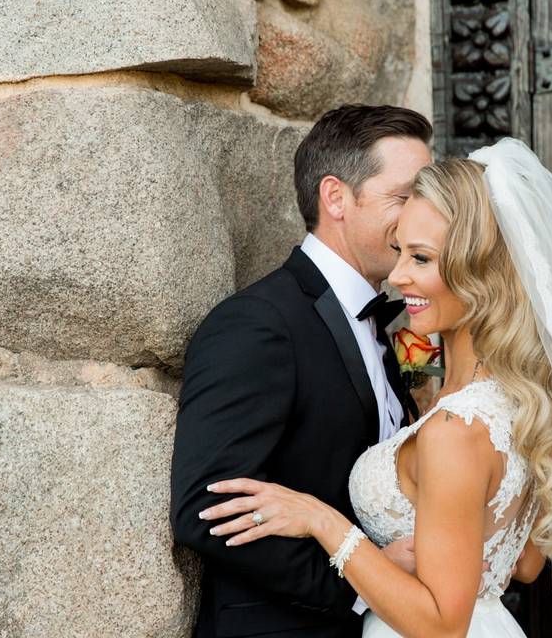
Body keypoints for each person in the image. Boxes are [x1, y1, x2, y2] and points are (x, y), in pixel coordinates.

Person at [199, 138, 552, 638]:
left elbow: (442, 625)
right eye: (400, 252)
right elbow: (525, 563)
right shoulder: (515, 403)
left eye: (421, 258)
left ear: (480, 273)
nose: (398, 276)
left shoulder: (457, 428)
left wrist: (326, 524)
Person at [170, 104, 434, 638]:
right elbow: (207, 508)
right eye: (404, 197)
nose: (420, 218)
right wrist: (359, 581)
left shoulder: (384, 326)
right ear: (336, 197)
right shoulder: (258, 323)